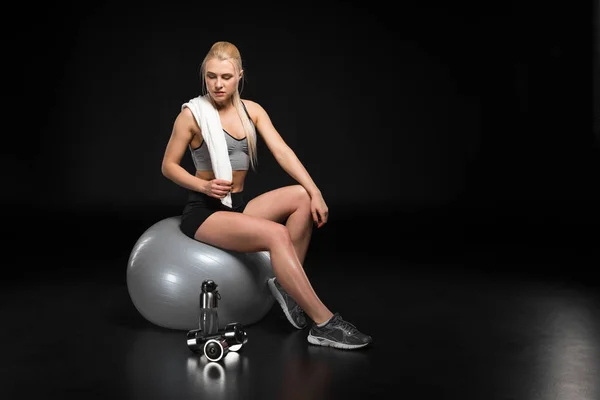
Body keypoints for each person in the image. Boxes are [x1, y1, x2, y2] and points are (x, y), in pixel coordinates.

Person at [161, 41, 372, 350]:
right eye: (211, 77)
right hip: (204, 213)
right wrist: (203, 186)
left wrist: (315, 191)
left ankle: (288, 289)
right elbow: (168, 165)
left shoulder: (252, 111)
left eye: (226, 77)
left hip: (237, 208)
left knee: (300, 196)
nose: (218, 84)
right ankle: (324, 324)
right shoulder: (192, 116)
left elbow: (283, 152)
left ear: (239, 76)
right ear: (204, 77)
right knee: (276, 234)